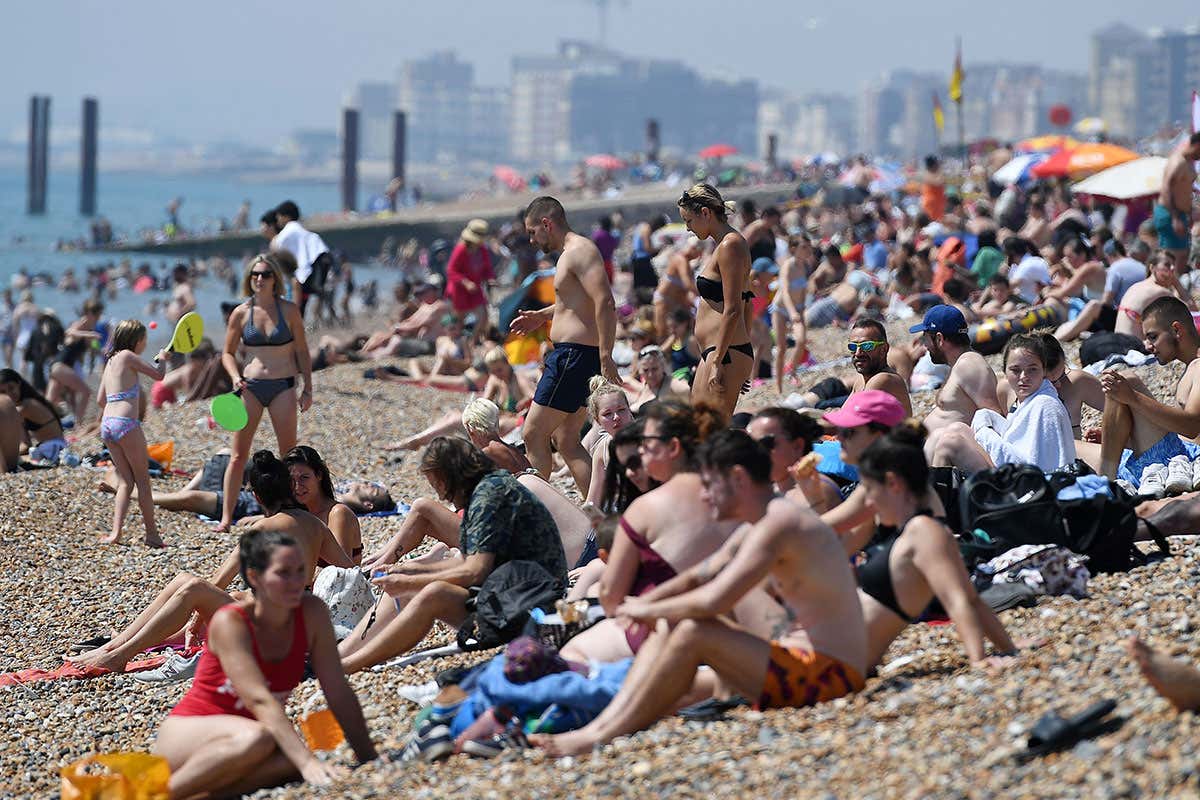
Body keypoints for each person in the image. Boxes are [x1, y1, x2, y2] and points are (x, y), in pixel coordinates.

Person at [533, 430, 869, 756]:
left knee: (691, 630)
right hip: (806, 662)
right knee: (674, 639)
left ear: (737, 478)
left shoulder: (779, 523)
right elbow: (699, 575)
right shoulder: (763, 520)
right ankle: (598, 728)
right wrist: (645, 604)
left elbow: (714, 598)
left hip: (829, 675)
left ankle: (598, 734)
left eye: (709, 486)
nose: (704, 497)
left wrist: (644, 611)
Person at [75, 451, 354, 675]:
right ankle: (115, 646)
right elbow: (349, 572)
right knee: (185, 579)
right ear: (288, 489)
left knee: (191, 587)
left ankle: (119, 655)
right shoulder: (316, 527)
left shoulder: (262, 530)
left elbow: (218, 581)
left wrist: (195, 623)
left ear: (256, 496)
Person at [152, 528, 376, 798]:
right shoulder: (231, 621)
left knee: (289, 764)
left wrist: (369, 758)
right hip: (192, 730)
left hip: (250, 735)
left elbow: (336, 688)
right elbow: (259, 699)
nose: (296, 582)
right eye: (283, 573)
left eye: (300, 571)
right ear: (254, 577)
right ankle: (154, 795)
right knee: (275, 745)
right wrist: (307, 762)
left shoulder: (312, 612)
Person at [340, 438, 567, 673]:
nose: (440, 495)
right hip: (515, 594)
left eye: (435, 483)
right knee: (407, 578)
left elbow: (475, 571)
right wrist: (410, 571)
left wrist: (409, 581)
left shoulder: (489, 497)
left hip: (527, 608)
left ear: (448, 476)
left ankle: (349, 665)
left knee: (432, 593)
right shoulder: (487, 488)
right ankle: (341, 655)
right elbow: (469, 563)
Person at [560, 400, 731, 664]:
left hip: (670, 628)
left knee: (570, 651)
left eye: (646, 449)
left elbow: (612, 598)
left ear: (672, 448)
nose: (633, 470)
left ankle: (563, 623)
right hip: (709, 619)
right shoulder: (726, 488)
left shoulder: (649, 506)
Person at [854, 424, 1019, 669]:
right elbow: (970, 598)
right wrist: (1008, 649)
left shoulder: (923, 530)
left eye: (869, 489)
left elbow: (958, 600)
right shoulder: (924, 529)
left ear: (893, 483)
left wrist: (979, 659)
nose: (867, 501)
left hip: (831, 664)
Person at [509, 196, 619, 490]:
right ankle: (595, 514)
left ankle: (537, 510)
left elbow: (605, 301)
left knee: (533, 434)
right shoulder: (572, 253)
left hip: (573, 357)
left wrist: (607, 355)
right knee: (567, 440)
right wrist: (541, 316)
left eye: (533, 232)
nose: (532, 241)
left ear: (547, 224)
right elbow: (574, 303)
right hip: (578, 356)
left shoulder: (579, 251)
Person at [216, 254, 312, 532]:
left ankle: (291, 509)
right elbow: (227, 353)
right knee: (237, 455)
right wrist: (235, 377)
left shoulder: (289, 310)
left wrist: (308, 386)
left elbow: (302, 350)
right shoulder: (241, 313)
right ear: (249, 279)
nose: (259, 279)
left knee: (288, 454)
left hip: (283, 383)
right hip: (250, 386)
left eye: (265, 274)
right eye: (255, 275)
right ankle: (226, 517)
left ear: (275, 279)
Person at [1088, 296, 1200, 488]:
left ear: (1176, 330)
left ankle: (1105, 483)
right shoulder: (1190, 367)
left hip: (1184, 462)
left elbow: (1191, 427)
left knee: (1126, 381)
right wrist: (1119, 436)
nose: (1148, 346)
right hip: (1172, 454)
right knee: (1070, 448)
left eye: (1153, 336)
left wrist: (1132, 398)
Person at [928, 334, 1076, 473]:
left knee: (949, 443)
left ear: (1044, 371)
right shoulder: (1028, 401)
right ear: (1005, 371)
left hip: (1026, 485)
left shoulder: (1045, 405)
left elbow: (1034, 467)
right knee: (955, 429)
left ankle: (935, 498)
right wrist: (985, 420)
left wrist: (984, 432)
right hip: (1016, 472)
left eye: (1032, 370)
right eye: (1015, 370)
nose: (1024, 377)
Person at [677, 184, 754, 420]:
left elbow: (733, 309)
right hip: (724, 351)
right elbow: (747, 302)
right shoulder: (724, 245)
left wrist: (720, 361)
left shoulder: (730, 245)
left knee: (708, 430)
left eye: (689, 221)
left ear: (705, 213)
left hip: (725, 352)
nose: (688, 228)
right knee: (700, 426)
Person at [97, 320, 170, 547]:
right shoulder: (128, 356)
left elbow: (100, 399)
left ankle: (116, 533)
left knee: (126, 481)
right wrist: (164, 360)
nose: (145, 343)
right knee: (142, 481)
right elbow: (158, 376)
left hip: (107, 425)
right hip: (126, 424)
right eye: (144, 339)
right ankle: (152, 535)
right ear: (137, 340)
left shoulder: (110, 361)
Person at [912, 305, 1002, 434]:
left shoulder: (969, 364)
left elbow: (995, 418)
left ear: (939, 339)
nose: (924, 345)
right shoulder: (959, 364)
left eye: (925, 337)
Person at [747, 406, 842, 513]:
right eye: (751, 446)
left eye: (765, 444)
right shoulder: (766, 491)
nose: (757, 453)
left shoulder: (819, 490)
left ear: (797, 446)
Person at [285, 446, 363, 565]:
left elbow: (341, 572)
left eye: (304, 478)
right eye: (291, 480)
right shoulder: (297, 514)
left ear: (319, 476)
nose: (297, 486)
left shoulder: (337, 513)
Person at [1114, 251, 1195, 341]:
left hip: (1118, 343)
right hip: (1132, 348)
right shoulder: (1160, 292)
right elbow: (1192, 312)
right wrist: (1177, 284)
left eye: (1173, 266)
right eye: (1167, 265)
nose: (1172, 269)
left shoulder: (1136, 286)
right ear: (1152, 268)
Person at [46, 298, 104, 424]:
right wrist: (89, 335)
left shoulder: (90, 332)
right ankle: (78, 424)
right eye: (97, 315)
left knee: (49, 401)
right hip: (60, 366)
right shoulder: (80, 325)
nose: (98, 319)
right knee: (86, 392)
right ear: (89, 314)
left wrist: (102, 352)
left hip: (60, 368)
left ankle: (38, 425)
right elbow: (69, 332)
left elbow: (95, 348)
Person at [272, 201, 332, 319]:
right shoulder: (301, 229)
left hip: (303, 275)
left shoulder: (290, 228)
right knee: (301, 307)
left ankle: (295, 330)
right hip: (313, 269)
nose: (277, 220)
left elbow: (276, 246)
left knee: (296, 309)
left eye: (279, 217)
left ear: (286, 216)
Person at [582, 377, 635, 509]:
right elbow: (593, 499)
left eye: (621, 410)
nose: (616, 417)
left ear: (629, 410)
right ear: (597, 421)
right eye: (607, 414)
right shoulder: (602, 450)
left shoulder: (646, 439)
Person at [844, 315, 912, 415]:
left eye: (867, 346)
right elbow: (844, 414)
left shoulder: (884, 379)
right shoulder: (861, 380)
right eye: (853, 346)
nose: (858, 353)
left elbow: (849, 419)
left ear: (884, 349)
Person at [771, 234, 813, 392]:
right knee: (781, 348)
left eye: (808, 247)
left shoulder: (804, 266)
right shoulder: (787, 266)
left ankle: (792, 371)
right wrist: (792, 313)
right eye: (804, 247)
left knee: (801, 341)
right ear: (793, 249)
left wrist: (801, 312)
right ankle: (778, 385)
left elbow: (803, 291)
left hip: (798, 308)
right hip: (781, 309)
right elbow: (785, 292)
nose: (807, 250)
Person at [0, 367, 67, 463]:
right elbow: (26, 444)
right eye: (3, 392)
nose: (9, 394)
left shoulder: (26, 406)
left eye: (11, 388)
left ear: (19, 384)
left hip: (54, 448)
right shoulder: (26, 403)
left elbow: (25, 445)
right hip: (54, 448)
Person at [1155, 132, 1200, 270]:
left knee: (1182, 257)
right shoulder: (1177, 161)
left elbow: (1184, 188)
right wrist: (1175, 218)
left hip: (1180, 214)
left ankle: (1174, 290)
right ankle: (1165, 289)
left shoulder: (1188, 162)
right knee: (1171, 259)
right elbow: (1166, 188)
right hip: (1170, 214)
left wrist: (1190, 210)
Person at [445, 219, 494, 341]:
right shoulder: (460, 250)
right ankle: (457, 343)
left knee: (483, 316)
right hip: (460, 290)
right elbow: (451, 270)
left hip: (475, 289)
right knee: (459, 320)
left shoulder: (482, 250)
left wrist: (490, 278)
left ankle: (473, 342)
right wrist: (465, 282)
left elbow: (487, 268)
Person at [653, 236, 700, 340]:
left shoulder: (687, 264)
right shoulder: (680, 259)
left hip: (676, 303)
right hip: (664, 300)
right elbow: (688, 284)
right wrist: (703, 295)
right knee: (662, 332)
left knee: (677, 334)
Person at [624, 345, 685, 413]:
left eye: (654, 369)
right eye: (645, 370)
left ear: (663, 366)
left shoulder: (674, 386)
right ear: (639, 370)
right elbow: (627, 380)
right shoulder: (643, 388)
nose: (650, 375)